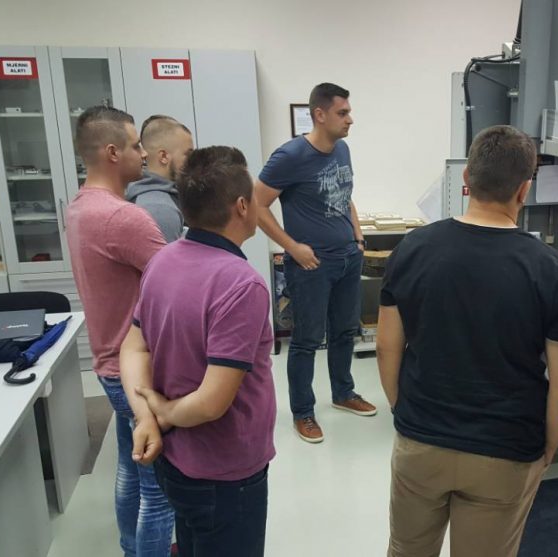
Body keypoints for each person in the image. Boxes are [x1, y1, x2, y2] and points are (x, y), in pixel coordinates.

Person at [377, 125, 558, 557]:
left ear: (466, 178)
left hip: (422, 441)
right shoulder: (550, 269)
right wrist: (548, 447)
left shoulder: (413, 248)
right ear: (524, 189)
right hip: (505, 449)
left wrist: (405, 411)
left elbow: (386, 347)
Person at [121, 146, 277, 557]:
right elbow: (211, 403)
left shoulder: (163, 260)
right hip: (224, 474)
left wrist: (147, 418)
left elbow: (133, 348)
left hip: (176, 462)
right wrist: (162, 413)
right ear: (242, 206)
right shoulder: (241, 284)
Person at [65, 106, 174, 556]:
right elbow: (178, 282)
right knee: (159, 491)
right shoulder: (123, 218)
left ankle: (132, 548)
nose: (143, 154)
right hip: (136, 370)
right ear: (112, 152)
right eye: (135, 146)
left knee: (132, 469)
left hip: (109, 363)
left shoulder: (80, 206)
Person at [254, 82, 376, 444]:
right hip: (311, 265)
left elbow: (345, 195)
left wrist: (357, 238)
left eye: (349, 112)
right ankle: (303, 412)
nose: (350, 119)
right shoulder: (290, 155)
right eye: (343, 113)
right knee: (307, 340)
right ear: (319, 115)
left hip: (348, 258)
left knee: (344, 332)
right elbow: (257, 205)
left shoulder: (343, 149)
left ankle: (343, 393)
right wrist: (292, 247)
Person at [126, 115, 194, 242]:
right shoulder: (160, 209)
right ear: (163, 157)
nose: (193, 161)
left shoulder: (162, 199)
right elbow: (166, 256)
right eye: (188, 155)